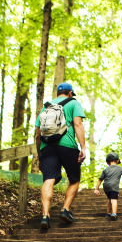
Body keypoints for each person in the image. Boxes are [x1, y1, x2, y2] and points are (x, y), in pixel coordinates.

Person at [34, 82, 86, 229]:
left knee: (48, 180)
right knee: (74, 179)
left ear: (58, 93)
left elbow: (38, 133)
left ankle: (45, 215)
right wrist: (83, 147)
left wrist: (40, 153)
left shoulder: (46, 107)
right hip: (67, 145)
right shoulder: (74, 103)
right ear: (70, 93)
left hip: (47, 147)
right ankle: (65, 210)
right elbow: (78, 124)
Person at [93, 152, 122, 221]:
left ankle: (108, 213)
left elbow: (100, 180)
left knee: (110, 198)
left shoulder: (105, 169)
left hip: (106, 186)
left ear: (107, 162)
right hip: (114, 186)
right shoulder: (120, 168)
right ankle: (114, 214)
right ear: (117, 161)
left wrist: (96, 189)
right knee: (114, 199)